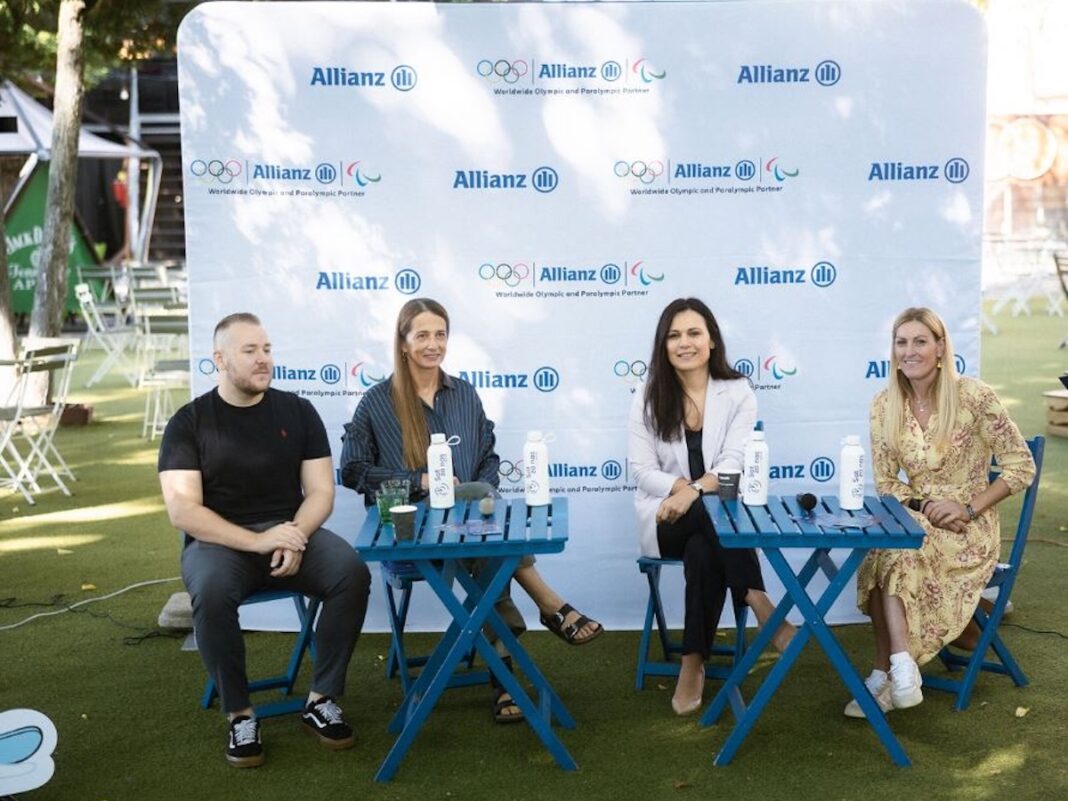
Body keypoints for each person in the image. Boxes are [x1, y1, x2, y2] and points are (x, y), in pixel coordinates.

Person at [339, 297, 602, 724]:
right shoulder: (375, 402)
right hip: (414, 535)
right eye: (422, 335)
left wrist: (484, 501)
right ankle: (546, 607)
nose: (433, 344)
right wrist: (418, 480)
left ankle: (505, 672)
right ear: (403, 343)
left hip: (476, 529)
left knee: (486, 526)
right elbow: (351, 470)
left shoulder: (464, 394)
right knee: (492, 542)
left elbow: (489, 458)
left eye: (440, 334)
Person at [158, 313, 371, 767]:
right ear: (220, 359)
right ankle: (240, 714)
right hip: (218, 544)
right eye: (250, 351)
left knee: (350, 572)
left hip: (290, 531)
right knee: (212, 592)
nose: (263, 360)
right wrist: (256, 542)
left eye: (267, 349)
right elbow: (184, 511)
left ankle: (321, 699)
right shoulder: (188, 422)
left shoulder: (297, 411)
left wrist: (292, 538)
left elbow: (320, 492)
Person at [846, 307, 1035, 718]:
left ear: (940, 347)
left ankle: (885, 673)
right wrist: (926, 505)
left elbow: (1022, 466)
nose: (909, 351)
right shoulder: (883, 405)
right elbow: (887, 485)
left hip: (970, 526)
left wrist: (967, 507)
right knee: (887, 548)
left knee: (895, 548)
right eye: (901, 342)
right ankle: (899, 668)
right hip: (918, 517)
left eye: (919, 341)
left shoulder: (973, 396)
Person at [628, 298, 795, 716]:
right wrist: (682, 491)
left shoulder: (737, 392)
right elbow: (643, 470)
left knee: (705, 547)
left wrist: (693, 494)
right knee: (715, 515)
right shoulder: (648, 394)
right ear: (663, 345)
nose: (684, 343)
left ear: (712, 340)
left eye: (694, 333)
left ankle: (691, 661)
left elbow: (735, 464)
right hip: (666, 520)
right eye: (674, 335)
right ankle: (757, 598)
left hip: (714, 522)